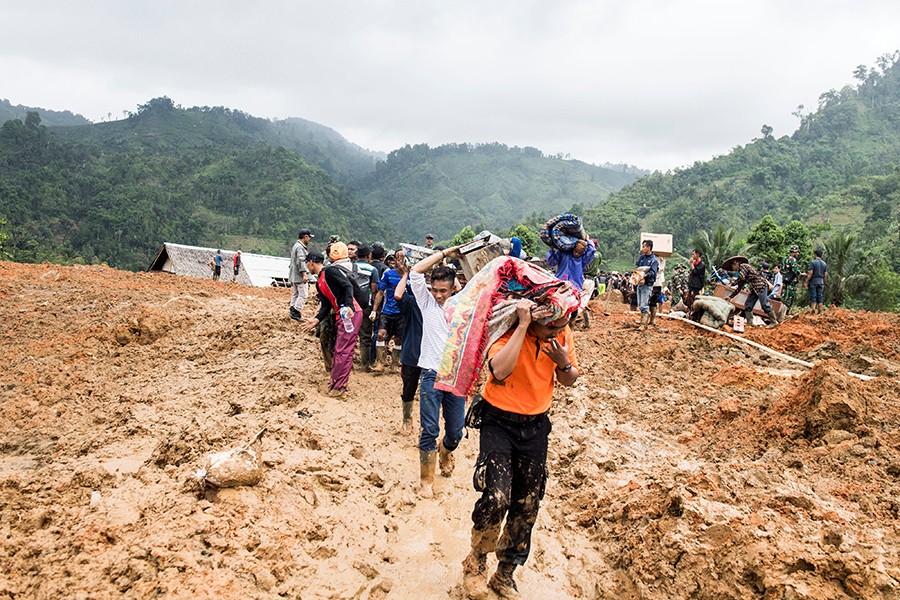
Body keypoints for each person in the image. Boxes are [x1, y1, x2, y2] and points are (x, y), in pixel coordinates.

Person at [461, 299, 580, 598]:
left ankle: (505, 573)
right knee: (496, 496)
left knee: (527, 503)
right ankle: (477, 559)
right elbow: (499, 371)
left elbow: (569, 380)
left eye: (562, 327)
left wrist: (563, 361)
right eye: (550, 327)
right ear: (536, 319)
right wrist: (524, 325)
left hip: (535, 426)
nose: (556, 333)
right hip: (499, 421)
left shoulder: (560, 335)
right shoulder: (508, 330)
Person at [408, 246, 465, 498]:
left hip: (455, 376)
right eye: (435, 289)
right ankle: (426, 482)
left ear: (454, 288)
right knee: (429, 428)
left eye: (444, 290)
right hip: (431, 373)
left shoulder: (461, 306)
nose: (439, 295)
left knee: (456, 431)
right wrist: (445, 254)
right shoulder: (426, 302)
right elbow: (416, 271)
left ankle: (446, 449)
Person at [300, 245, 363, 397]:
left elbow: (347, 285)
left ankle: (339, 387)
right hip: (340, 314)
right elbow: (326, 305)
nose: (306, 267)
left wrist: (348, 306)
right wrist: (316, 319)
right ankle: (335, 382)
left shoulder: (330, 271)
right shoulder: (319, 282)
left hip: (350, 313)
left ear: (311, 262)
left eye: (306, 263)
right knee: (340, 348)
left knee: (344, 350)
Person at [393, 268, 424, 436]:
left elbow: (455, 289)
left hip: (431, 356)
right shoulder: (413, 303)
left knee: (430, 393)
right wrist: (406, 274)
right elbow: (398, 295)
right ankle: (407, 419)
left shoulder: (440, 305)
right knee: (408, 388)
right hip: (412, 354)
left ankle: (426, 426)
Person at [370, 249, 407, 373]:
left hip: (402, 313)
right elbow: (380, 293)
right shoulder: (388, 274)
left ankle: (395, 364)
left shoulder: (411, 276)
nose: (399, 261)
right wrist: (374, 310)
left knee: (399, 339)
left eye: (402, 258)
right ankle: (380, 362)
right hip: (387, 311)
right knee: (380, 334)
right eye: (397, 258)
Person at [724, 256, 779, 328]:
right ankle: (750, 323)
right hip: (754, 289)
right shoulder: (741, 273)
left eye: (733, 267)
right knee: (748, 305)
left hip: (761, 286)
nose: (733, 269)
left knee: (764, 304)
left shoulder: (744, 266)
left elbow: (741, 277)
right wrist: (730, 297)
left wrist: (731, 284)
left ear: (736, 263)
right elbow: (739, 288)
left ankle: (774, 321)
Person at [354, 244, 380, 371]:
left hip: (351, 305)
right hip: (366, 305)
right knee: (365, 335)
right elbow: (374, 290)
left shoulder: (350, 267)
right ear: (368, 255)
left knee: (348, 334)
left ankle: (346, 362)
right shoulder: (372, 270)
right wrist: (375, 309)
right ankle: (365, 364)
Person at [289, 229, 314, 320]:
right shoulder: (300, 247)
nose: (309, 240)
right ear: (305, 237)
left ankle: (292, 309)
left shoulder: (296, 245)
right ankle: (296, 311)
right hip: (299, 275)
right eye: (308, 237)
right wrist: (304, 274)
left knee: (295, 293)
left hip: (294, 274)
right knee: (303, 294)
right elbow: (301, 261)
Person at [635, 240, 659, 331]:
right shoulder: (641, 258)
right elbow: (637, 266)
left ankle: (643, 324)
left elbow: (653, 272)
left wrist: (645, 275)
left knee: (644, 304)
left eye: (644, 246)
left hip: (647, 284)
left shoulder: (653, 260)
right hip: (639, 283)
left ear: (649, 247)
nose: (643, 248)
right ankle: (643, 319)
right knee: (640, 304)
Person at [806, 248, 827, 315]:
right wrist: (824, 282)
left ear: (815, 255)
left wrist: (806, 281)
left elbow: (810, 273)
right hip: (821, 281)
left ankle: (813, 310)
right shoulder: (824, 264)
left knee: (813, 295)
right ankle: (820, 310)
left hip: (813, 281)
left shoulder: (813, 262)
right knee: (820, 295)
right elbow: (824, 275)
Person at [685, 249, 706, 315]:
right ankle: (689, 310)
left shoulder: (702, 264)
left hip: (697, 284)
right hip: (691, 284)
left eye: (693, 254)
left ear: (697, 255)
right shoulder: (695, 263)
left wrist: (691, 264)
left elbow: (695, 271)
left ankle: (695, 312)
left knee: (694, 298)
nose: (692, 256)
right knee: (688, 298)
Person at [781, 245, 802, 310]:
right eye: (797, 252)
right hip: (791, 282)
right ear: (794, 252)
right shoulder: (792, 259)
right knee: (790, 296)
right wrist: (801, 274)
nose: (798, 254)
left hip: (785, 280)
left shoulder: (785, 259)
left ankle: (780, 311)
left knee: (783, 296)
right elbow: (795, 270)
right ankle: (786, 312)